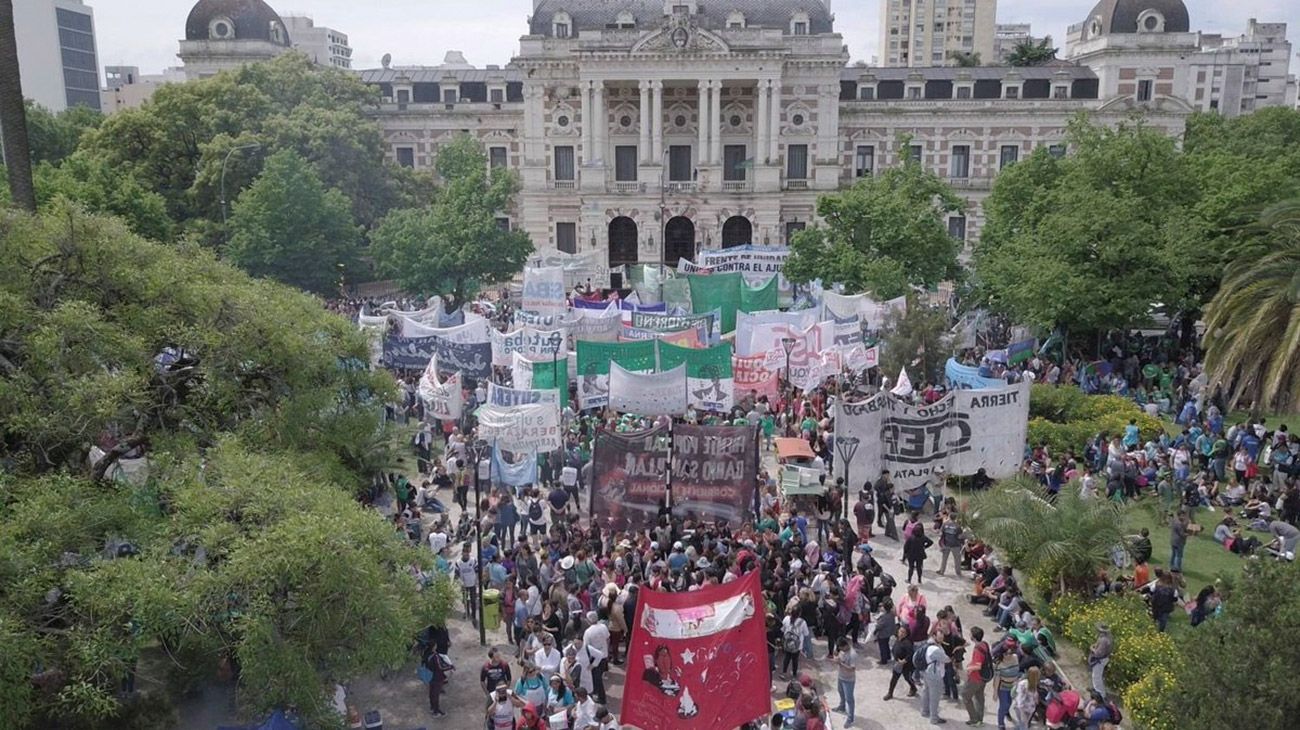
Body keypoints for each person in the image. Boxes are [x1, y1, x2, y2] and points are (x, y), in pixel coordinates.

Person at [963, 625, 992, 727]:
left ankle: (974, 719)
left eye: (970, 634)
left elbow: (978, 666)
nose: (969, 635)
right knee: (979, 697)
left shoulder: (977, 649)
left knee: (965, 696)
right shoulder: (984, 644)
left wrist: (968, 669)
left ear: (974, 637)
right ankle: (980, 718)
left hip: (976, 678)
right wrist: (971, 663)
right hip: (983, 678)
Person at [920, 632, 950, 725]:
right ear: (934, 636)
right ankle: (934, 718)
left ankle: (924, 711)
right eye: (940, 637)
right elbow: (946, 659)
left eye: (942, 637)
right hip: (934, 674)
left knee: (926, 691)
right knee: (935, 697)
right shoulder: (935, 649)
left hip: (926, 671)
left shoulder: (927, 644)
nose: (942, 639)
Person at [884, 625, 917, 700]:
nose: (901, 633)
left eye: (903, 632)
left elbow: (911, 653)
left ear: (906, 634)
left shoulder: (907, 643)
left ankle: (913, 688)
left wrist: (904, 660)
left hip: (906, 665)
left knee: (907, 678)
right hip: (898, 663)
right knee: (894, 678)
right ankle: (890, 693)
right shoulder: (897, 639)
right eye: (900, 631)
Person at [832, 637, 857, 725]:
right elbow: (836, 654)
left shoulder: (852, 654)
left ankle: (850, 718)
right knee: (841, 692)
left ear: (846, 645)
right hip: (841, 676)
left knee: (849, 699)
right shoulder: (841, 649)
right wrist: (835, 655)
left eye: (842, 648)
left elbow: (852, 669)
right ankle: (842, 707)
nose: (841, 649)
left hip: (849, 679)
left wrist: (840, 664)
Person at [454, 545, 481, 627]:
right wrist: (459, 582)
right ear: (462, 554)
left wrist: (476, 580)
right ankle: (467, 612)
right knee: (465, 599)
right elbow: (456, 574)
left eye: (467, 554)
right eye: (464, 554)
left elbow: (476, 571)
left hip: (472, 583)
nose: (466, 555)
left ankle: (473, 617)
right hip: (464, 584)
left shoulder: (473, 561)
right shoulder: (458, 563)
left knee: (473, 600)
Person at [781, 607, 810, 678]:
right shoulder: (802, 622)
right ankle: (794, 674)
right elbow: (806, 633)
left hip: (787, 643)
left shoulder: (786, 618)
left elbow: (782, 629)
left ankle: (784, 673)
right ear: (799, 614)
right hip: (797, 645)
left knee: (786, 658)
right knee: (795, 659)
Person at [1088, 623, 1112, 699]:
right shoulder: (1104, 638)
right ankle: (1096, 690)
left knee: (1096, 677)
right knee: (1096, 676)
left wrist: (1092, 649)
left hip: (1100, 660)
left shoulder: (1104, 640)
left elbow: (1099, 653)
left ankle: (1101, 694)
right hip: (1102, 659)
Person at [1011, 665, 1039, 730]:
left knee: (1022, 724)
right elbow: (1020, 700)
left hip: (1028, 709)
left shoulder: (1032, 683)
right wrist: (1022, 713)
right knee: (1024, 726)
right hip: (1023, 709)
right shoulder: (1024, 684)